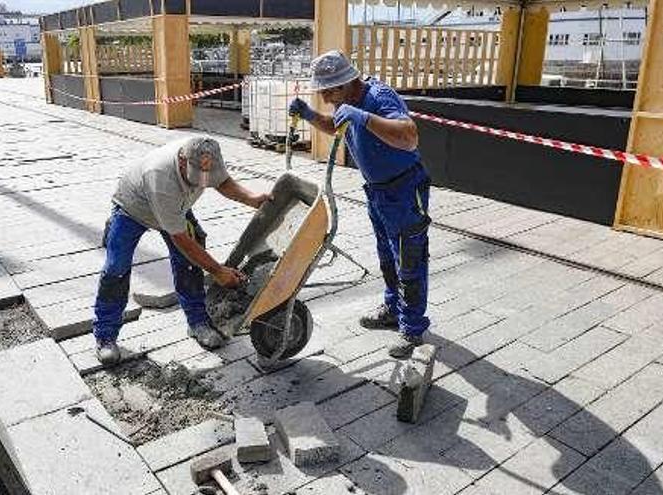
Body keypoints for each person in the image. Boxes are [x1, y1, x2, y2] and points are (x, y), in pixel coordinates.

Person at [289, 50, 430, 358]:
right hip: (378, 192)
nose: (325, 99)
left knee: (410, 258)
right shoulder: (346, 102)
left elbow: (409, 137)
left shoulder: (379, 98)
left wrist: (364, 118)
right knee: (386, 256)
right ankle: (393, 309)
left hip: (404, 190)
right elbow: (337, 124)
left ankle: (412, 329)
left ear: (345, 83)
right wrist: (310, 115)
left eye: (329, 92)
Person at [93, 137, 271, 365]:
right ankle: (105, 336)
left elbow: (223, 182)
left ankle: (197, 322)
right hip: (133, 208)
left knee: (189, 264)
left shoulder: (208, 156)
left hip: (176, 209)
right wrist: (218, 271)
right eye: (197, 177)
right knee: (116, 267)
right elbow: (181, 239)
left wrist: (252, 198)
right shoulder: (160, 175)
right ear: (181, 160)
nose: (202, 183)